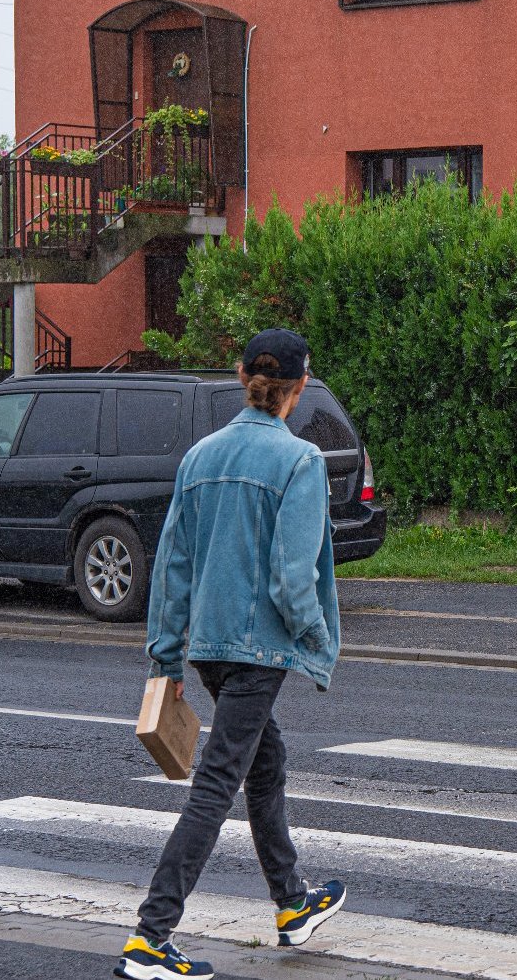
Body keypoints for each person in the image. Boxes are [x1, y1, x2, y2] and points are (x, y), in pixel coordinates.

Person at [116, 329, 346, 980]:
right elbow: (291, 579)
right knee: (217, 783)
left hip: (209, 649)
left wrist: (166, 661)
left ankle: (292, 904)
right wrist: (317, 640)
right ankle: (150, 937)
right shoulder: (299, 462)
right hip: (259, 650)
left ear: (242, 374)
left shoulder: (200, 457)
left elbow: (174, 568)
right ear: (299, 390)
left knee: (264, 759)